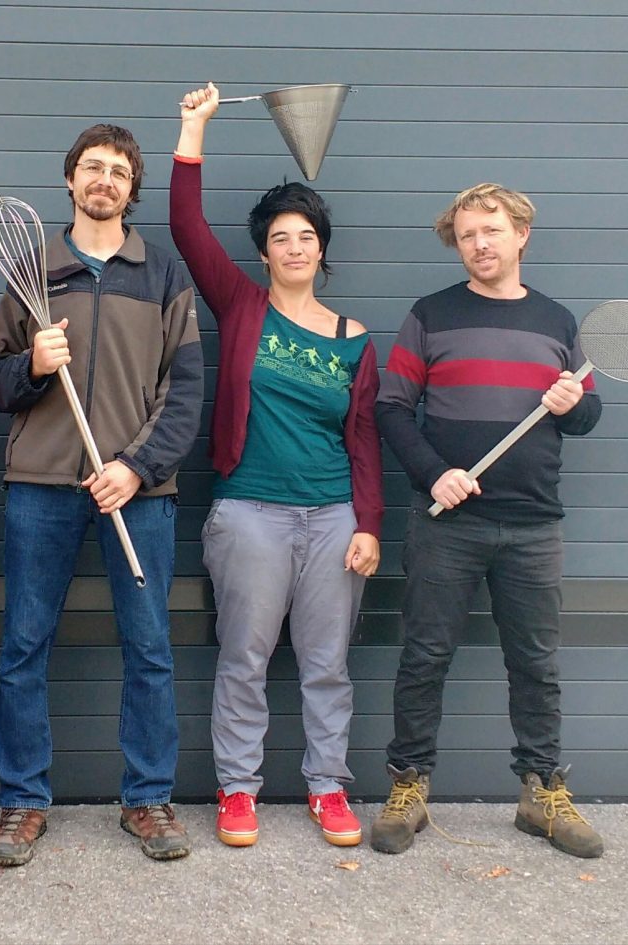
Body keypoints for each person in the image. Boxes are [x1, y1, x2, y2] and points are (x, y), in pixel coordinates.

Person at [0, 123, 204, 865]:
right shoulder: (30, 269)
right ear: (69, 181)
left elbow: (186, 390)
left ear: (132, 188)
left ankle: (148, 798)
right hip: (42, 484)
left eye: (117, 170)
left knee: (149, 646)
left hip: (138, 490)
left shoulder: (164, 273)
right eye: (91, 168)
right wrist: (35, 366)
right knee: (23, 645)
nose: (104, 179)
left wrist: (136, 466)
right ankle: (21, 800)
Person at [170, 83, 382, 849]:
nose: (296, 247)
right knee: (245, 658)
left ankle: (328, 788)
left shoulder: (356, 337)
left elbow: (363, 442)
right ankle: (238, 791)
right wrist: (193, 128)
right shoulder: (241, 306)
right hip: (250, 513)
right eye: (282, 238)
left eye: (307, 235)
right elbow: (186, 226)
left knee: (327, 664)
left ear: (324, 246)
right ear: (265, 252)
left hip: (332, 519)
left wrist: (369, 527)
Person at [373, 183, 605, 858]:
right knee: (424, 655)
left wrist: (571, 405)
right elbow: (391, 407)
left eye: (493, 230)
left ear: (521, 234)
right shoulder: (432, 315)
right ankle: (409, 785)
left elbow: (588, 415)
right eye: (469, 234)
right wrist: (431, 471)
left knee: (536, 662)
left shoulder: (558, 323)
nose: (481, 243)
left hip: (533, 524)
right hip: (448, 522)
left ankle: (541, 794)